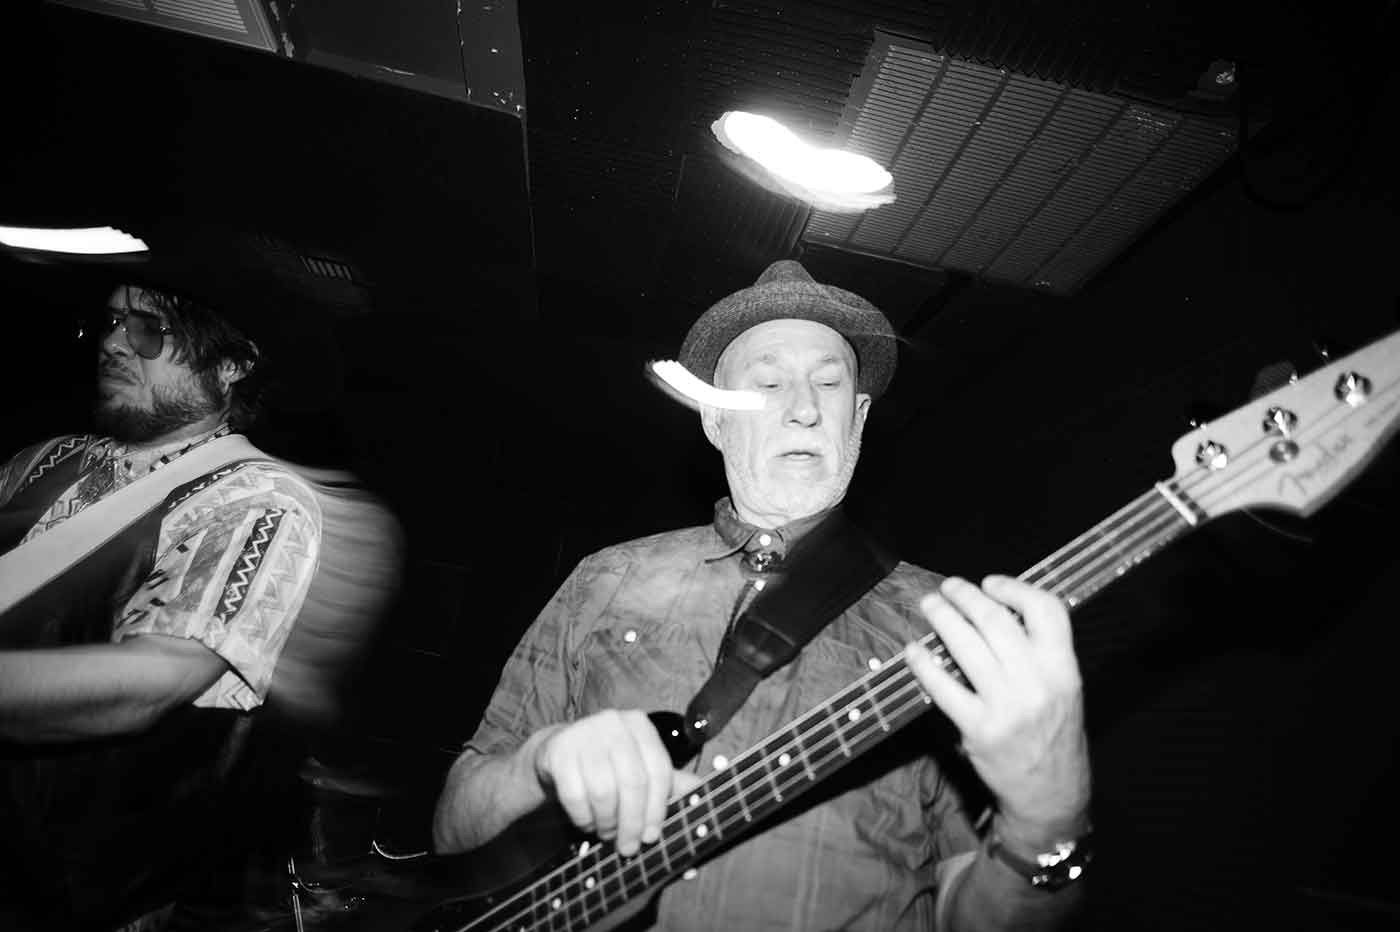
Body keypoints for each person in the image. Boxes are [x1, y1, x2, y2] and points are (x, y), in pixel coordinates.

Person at [431, 259, 1093, 930]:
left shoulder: (945, 622)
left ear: (858, 417)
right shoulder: (606, 578)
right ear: (716, 420)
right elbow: (453, 827)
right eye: (769, 383)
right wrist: (542, 764)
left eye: (829, 384)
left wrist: (1045, 822)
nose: (805, 409)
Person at [0, 278, 324, 931]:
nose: (115, 344)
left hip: (68, 898)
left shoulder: (256, 501)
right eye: (111, 323)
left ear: (231, 365)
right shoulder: (47, 460)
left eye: (148, 329)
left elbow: (149, 683)